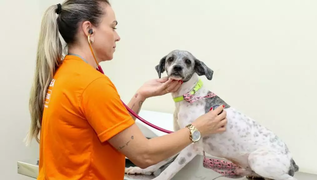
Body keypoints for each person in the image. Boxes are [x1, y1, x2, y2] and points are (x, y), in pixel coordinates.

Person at [25, 0, 227, 179]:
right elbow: (144, 154)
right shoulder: (91, 84)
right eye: (113, 27)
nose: (118, 36)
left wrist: (140, 96)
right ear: (89, 30)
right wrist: (198, 128)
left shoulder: (65, 72)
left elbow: (111, 131)